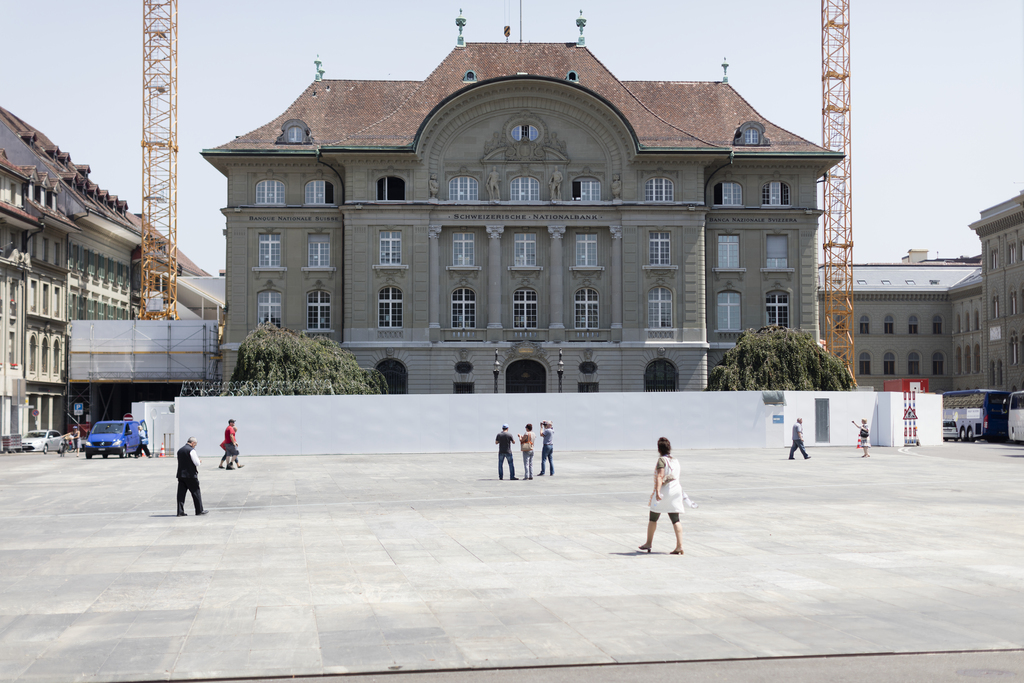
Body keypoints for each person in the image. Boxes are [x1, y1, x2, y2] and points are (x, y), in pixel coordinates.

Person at [639, 437, 695, 555]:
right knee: (675, 519)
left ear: (659, 449)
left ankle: (648, 543)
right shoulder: (675, 460)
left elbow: (660, 476)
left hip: (665, 491)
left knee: (653, 517)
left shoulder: (661, 460)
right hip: (676, 491)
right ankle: (679, 546)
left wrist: (658, 491)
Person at [176, 437, 208, 517]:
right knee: (196, 492)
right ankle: (199, 510)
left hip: (181, 475)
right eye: (195, 445)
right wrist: (199, 461)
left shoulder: (180, 450)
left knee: (181, 494)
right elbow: (196, 463)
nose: (194, 446)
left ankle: (180, 511)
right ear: (193, 443)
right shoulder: (191, 450)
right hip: (190, 475)